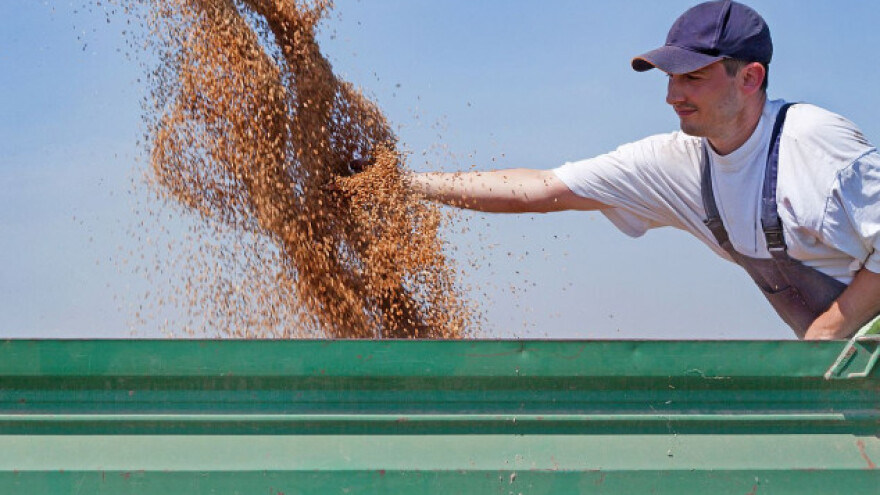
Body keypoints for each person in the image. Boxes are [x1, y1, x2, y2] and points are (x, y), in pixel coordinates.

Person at [403, 0, 880, 340]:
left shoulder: (815, 143)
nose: (672, 96)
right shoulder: (678, 163)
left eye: (692, 77)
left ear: (750, 77)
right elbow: (541, 189)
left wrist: (825, 334)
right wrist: (403, 184)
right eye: (670, 78)